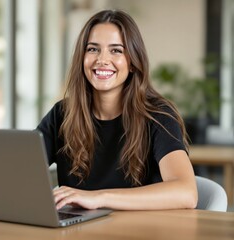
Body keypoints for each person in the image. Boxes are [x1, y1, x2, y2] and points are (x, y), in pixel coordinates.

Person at [36, 9, 198, 211]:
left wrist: (99, 198)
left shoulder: (158, 116)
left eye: (116, 50)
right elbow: (17, 169)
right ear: (82, 57)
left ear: (132, 62)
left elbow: (186, 193)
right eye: (93, 49)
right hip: (79, 231)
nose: (102, 60)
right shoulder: (62, 114)